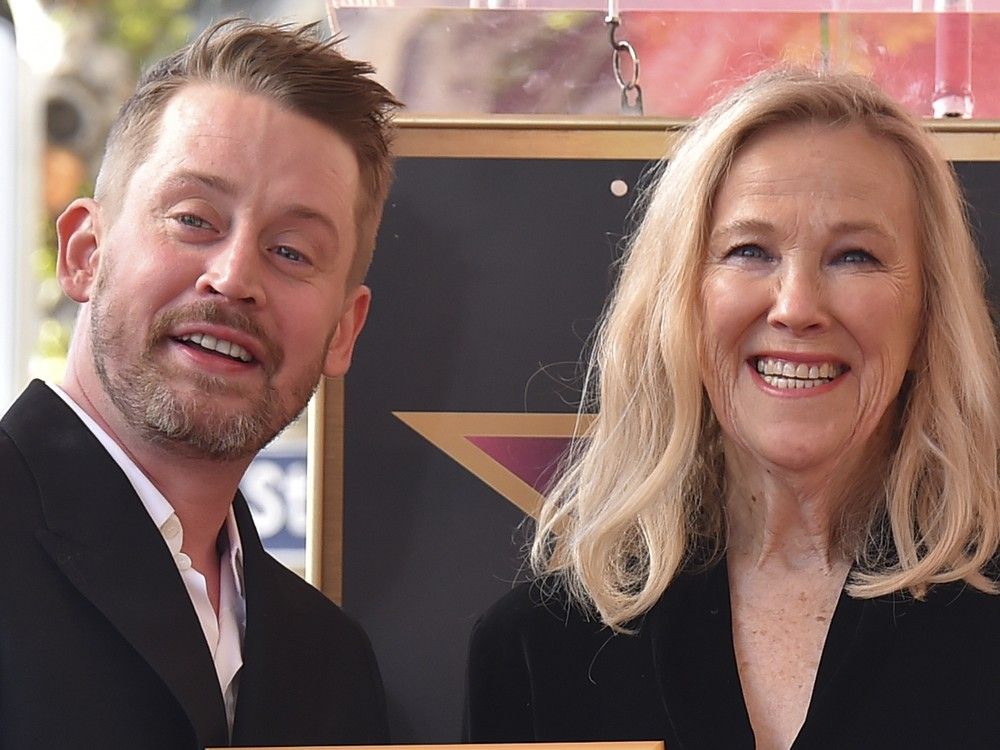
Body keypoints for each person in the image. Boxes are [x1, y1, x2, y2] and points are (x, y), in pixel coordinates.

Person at [465, 67, 1000, 749]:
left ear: (928, 318)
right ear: (681, 306)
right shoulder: (538, 652)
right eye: (749, 251)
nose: (797, 306)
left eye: (856, 256)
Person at [0, 18, 399, 749]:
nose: (235, 276)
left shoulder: (333, 665)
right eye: (193, 219)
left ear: (345, 329)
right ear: (85, 252)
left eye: (290, 250)